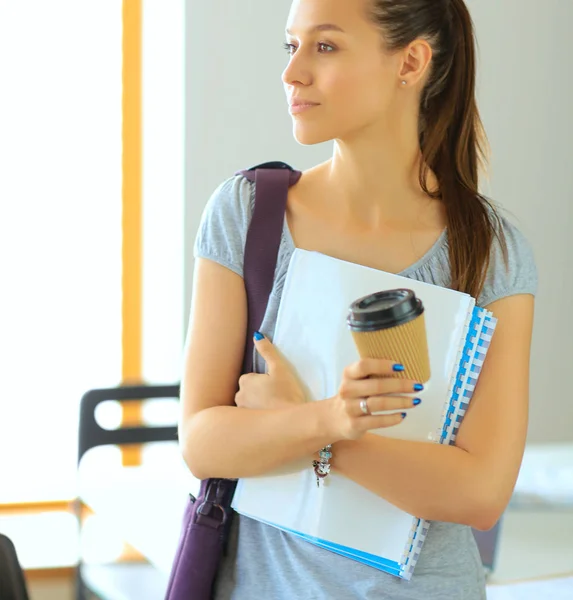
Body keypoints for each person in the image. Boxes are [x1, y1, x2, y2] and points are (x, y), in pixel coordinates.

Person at [179, 0, 537, 598]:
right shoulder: (246, 213)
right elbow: (201, 442)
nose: (293, 73)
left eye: (325, 46)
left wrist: (319, 431)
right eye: (290, 47)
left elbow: (480, 492)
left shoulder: (491, 250)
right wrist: (326, 416)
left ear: (411, 62)